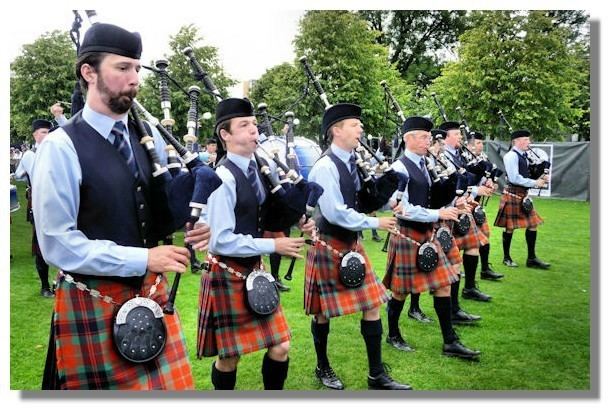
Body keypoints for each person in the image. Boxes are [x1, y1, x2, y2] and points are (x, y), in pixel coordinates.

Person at [33, 22, 208, 390]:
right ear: (88, 72)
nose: (134, 79)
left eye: (137, 69)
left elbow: (150, 214)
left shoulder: (147, 139)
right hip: (93, 300)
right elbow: (57, 244)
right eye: (122, 68)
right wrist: (144, 259)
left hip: (148, 297)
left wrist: (189, 226)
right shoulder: (61, 146)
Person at [196, 97, 314, 390]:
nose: (254, 130)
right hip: (228, 272)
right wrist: (274, 246)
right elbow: (221, 241)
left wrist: (297, 218)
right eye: (244, 125)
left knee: (280, 346)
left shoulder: (259, 169)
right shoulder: (222, 177)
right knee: (229, 357)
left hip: (253, 271)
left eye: (254, 124)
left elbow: (268, 210)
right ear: (225, 134)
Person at [305, 103, 411, 390]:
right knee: (322, 312)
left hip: (352, 244)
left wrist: (388, 199)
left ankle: (376, 374)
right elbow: (336, 211)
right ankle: (322, 366)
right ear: (336, 131)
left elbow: (363, 197)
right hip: (328, 244)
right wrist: (376, 224)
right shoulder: (325, 167)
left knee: (374, 304)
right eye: (354, 124)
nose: (360, 128)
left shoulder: (353, 161)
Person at [383, 116, 480, 362]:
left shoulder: (425, 163)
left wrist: (453, 202)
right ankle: (393, 333)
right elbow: (401, 208)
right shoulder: (399, 168)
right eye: (424, 137)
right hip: (407, 234)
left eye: (429, 137)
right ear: (409, 139)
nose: (429, 141)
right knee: (401, 291)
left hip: (428, 232)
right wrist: (438, 213)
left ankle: (450, 341)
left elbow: (430, 196)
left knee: (444, 283)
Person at [441, 121, 493, 305]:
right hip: (449, 209)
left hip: (462, 207)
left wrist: (479, 187)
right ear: (446, 137)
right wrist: (475, 192)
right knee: (450, 259)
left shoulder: (459, 155)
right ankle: (450, 304)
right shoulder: (443, 157)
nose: (461, 137)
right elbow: (449, 185)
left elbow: (466, 180)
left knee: (473, 246)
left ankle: (469, 287)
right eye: (457, 134)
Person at [494, 129, 550, 269]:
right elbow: (514, 178)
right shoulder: (511, 156)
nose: (529, 142)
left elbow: (528, 174)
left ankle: (531, 258)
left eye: (528, 139)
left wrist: (541, 176)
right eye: (526, 140)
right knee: (510, 227)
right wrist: (534, 183)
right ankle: (506, 258)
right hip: (513, 193)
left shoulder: (525, 155)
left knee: (533, 224)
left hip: (523, 194)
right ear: (516, 141)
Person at [14, 119, 55, 298]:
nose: (46, 136)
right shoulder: (30, 155)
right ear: (35, 135)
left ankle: (62, 284)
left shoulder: (57, 152)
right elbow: (19, 175)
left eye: (49, 132)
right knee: (41, 245)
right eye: (43, 132)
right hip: (39, 204)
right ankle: (45, 287)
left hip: (58, 202)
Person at [467, 132, 504, 280]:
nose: (481, 145)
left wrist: (490, 184)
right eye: (478, 143)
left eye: (482, 143)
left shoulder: (484, 159)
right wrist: (477, 189)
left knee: (484, 236)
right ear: (469, 145)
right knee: (465, 242)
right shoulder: (464, 159)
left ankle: (484, 269)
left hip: (477, 203)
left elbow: (485, 178)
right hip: (465, 202)